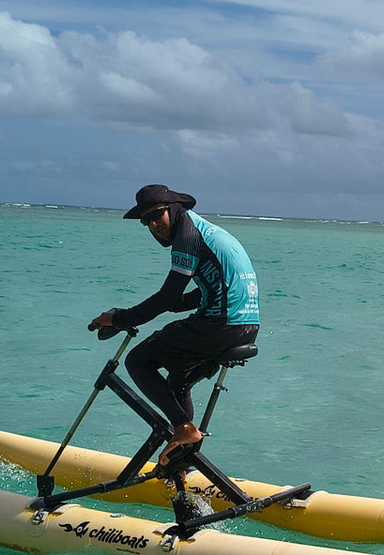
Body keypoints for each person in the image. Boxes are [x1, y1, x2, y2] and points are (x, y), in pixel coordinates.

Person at [90, 184, 260, 467]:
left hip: (221, 325)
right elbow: (190, 295)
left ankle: (184, 429)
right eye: (146, 221)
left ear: (174, 209)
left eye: (157, 215)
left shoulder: (188, 236)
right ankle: (181, 460)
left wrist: (121, 319)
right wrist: (139, 311)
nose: (154, 224)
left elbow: (168, 296)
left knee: (138, 360)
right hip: (243, 324)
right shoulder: (205, 230)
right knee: (177, 380)